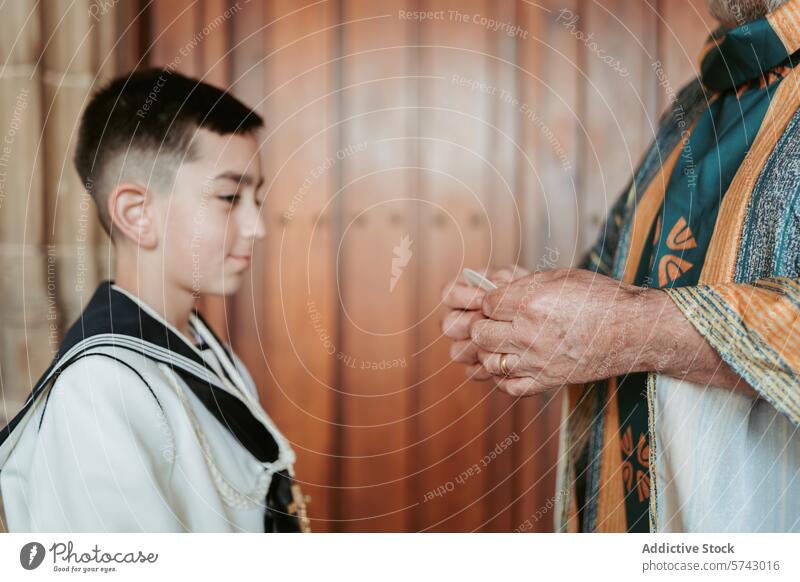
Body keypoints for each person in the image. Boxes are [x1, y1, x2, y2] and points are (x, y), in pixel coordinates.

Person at [442, 0, 800, 532]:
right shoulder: (698, 104)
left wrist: (626, 329)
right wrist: (524, 313)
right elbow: (619, 278)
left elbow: (622, 317)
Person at [0, 69, 309, 533]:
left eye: (256, 198)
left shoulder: (194, 340)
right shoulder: (98, 387)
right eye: (229, 196)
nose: (257, 227)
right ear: (137, 214)